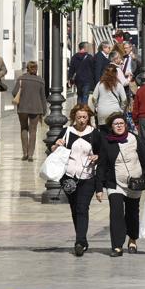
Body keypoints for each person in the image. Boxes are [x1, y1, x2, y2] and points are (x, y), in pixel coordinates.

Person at [97, 112, 145, 257]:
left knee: (132, 213)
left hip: (135, 182)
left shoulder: (135, 139)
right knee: (116, 213)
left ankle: (132, 239)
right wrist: (99, 188)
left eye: (121, 123)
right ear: (111, 127)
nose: (119, 126)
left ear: (125, 125)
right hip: (114, 183)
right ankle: (117, 246)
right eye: (116, 124)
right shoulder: (107, 142)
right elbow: (101, 165)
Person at [52, 105, 102, 256]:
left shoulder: (94, 133)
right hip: (68, 177)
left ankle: (79, 242)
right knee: (74, 208)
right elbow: (53, 150)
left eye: (85, 117)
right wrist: (56, 145)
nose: (82, 120)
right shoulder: (67, 131)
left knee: (82, 207)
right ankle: (83, 239)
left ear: (89, 118)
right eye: (79, 117)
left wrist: (97, 157)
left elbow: (102, 153)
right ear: (74, 117)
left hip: (87, 177)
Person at [12, 61, 47, 161]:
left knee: (23, 128)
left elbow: (14, 92)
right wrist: (44, 111)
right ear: (36, 68)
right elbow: (43, 97)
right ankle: (31, 155)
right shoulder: (40, 80)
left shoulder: (21, 78)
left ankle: (25, 153)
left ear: (27, 68)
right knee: (33, 131)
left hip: (22, 108)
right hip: (36, 108)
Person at [67, 42, 95, 107]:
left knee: (79, 95)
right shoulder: (89, 57)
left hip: (78, 80)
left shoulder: (74, 57)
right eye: (88, 47)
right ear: (85, 48)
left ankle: (78, 109)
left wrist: (70, 78)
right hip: (87, 80)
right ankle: (84, 110)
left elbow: (71, 69)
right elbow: (93, 69)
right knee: (85, 96)